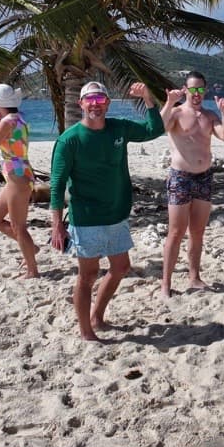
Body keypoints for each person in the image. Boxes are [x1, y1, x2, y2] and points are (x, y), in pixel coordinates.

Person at [49, 81, 164, 341]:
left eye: (100, 100)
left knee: (121, 267)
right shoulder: (69, 140)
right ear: (81, 104)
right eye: (90, 100)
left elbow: (154, 129)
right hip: (86, 217)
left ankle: (97, 315)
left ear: (107, 104)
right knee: (88, 275)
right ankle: (87, 332)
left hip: (116, 213)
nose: (95, 104)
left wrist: (148, 98)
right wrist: (57, 224)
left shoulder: (118, 128)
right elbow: (56, 185)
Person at [159, 71, 224, 297]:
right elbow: (159, 127)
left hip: (204, 177)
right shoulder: (176, 112)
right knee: (175, 232)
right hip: (180, 177)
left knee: (197, 232)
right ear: (185, 89)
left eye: (201, 89)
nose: (197, 93)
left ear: (205, 90)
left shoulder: (210, 116)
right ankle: (165, 283)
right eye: (193, 89)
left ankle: (194, 277)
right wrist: (169, 101)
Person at [0, 83, 39, 279]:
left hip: (18, 178)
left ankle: (32, 270)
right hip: (19, 175)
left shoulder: (6, 123)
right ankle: (31, 248)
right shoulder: (18, 117)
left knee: (18, 227)